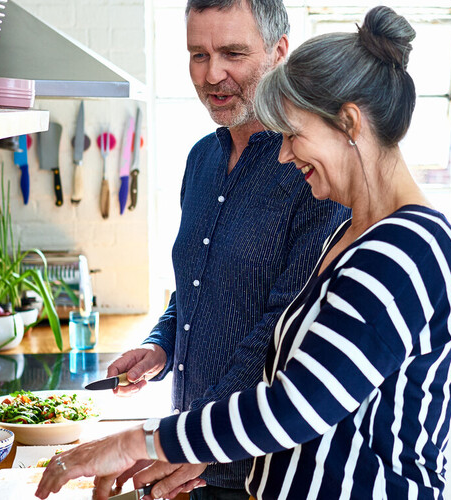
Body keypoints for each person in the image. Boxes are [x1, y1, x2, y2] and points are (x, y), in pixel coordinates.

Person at [35, 6, 451, 500]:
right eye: (198, 54)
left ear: (349, 123)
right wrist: (170, 418)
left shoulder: (405, 253)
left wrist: (146, 441)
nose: (284, 154)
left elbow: (295, 404)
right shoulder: (354, 233)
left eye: (293, 134)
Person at [102, 0, 349, 499]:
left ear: (279, 52)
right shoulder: (200, 160)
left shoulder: (313, 173)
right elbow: (194, 286)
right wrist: (159, 346)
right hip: (189, 463)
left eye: (233, 53)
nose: (213, 74)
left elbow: (279, 330)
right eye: (198, 54)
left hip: (258, 473)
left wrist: (188, 442)